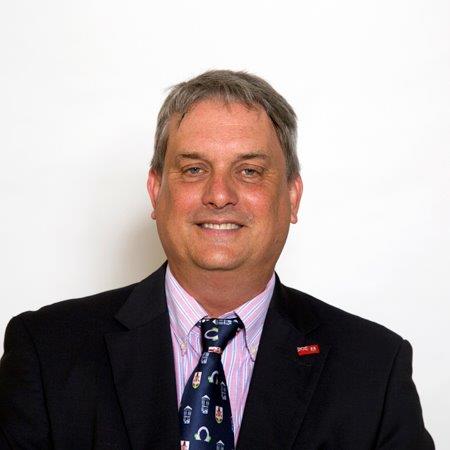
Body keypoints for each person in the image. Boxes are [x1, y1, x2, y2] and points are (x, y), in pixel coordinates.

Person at [0, 70, 434, 450]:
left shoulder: (374, 368)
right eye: (194, 169)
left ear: (292, 196)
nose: (219, 195)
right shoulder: (46, 351)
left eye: (249, 171)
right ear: (156, 192)